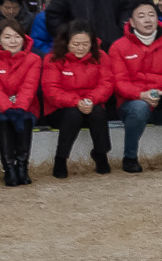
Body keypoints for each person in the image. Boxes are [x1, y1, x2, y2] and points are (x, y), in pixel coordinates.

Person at [110, 0, 162, 173]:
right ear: (131, 22)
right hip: (132, 101)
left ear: (157, 19)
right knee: (139, 108)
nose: (147, 20)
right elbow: (119, 82)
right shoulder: (119, 47)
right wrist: (141, 94)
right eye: (141, 16)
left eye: (151, 15)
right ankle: (130, 158)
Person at [0, 19, 43, 186]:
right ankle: (9, 169)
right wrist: (8, 109)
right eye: (7, 37)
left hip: (26, 108)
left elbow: (29, 87)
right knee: (4, 120)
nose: (13, 41)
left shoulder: (34, 59)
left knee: (25, 119)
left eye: (17, 36)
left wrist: (19, 109)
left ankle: (22, 167)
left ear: (24, 38)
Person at [45, 24, 114, 179]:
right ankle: (61, 158)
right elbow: (51, 91)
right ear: (66, 43)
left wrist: (90, 100)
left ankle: (100, 154)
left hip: (91, 105)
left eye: (85, 44)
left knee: (98, 112)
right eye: (76, 44)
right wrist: (77, 102)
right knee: (73, 114)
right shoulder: (53, 59)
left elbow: (106, 84)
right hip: (60, 109)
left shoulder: (101, 57)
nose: (81, 48)